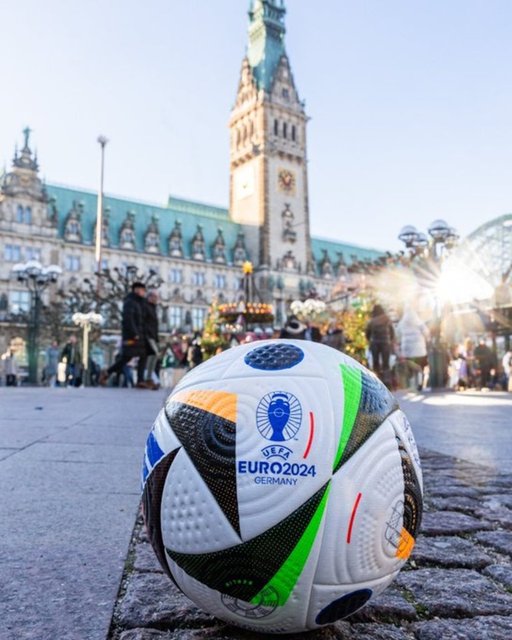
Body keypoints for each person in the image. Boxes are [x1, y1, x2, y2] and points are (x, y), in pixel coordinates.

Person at [105, 282, 148, 388]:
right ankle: (107, 372)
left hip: (139, 335)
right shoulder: (130, 302)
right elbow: (129, 319)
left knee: (143, 355)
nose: (144, 293)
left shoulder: (140, 303)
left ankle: (140, 380)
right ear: (136, 290)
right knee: (126, 358)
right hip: (132, 336)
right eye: (142, 290)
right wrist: (134, 333)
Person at [395, 305, 430, 391]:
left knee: (411, 367)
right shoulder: (418, 321)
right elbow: (426, 332)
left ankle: (412, 384)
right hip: (419, 350)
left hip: (407, 351)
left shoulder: (402, 322)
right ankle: (420, 384)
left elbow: (397, 334)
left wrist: (400, 343)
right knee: (420, 367)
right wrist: (426, 339)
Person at [365, 304, 395, 385]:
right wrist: (390, 340)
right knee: (386, 363)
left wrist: (369, 340)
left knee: (376, 363)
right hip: (385, 342)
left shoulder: (372, 321)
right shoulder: (387, 319)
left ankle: (377, 380)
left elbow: (367, 333)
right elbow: (392, 331)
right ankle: (387, 380)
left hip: (375, 343)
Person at [140, 289, 160, 390]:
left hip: (152, 336)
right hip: (148, 336)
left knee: (152, 356)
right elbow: (144, 322)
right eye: (155, 297)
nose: (157, 299)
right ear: (150, 297)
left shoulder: (153, 308)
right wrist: (146, 335)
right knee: (154, 354)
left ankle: (148, 378)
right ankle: (147, 378)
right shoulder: (146, 307)